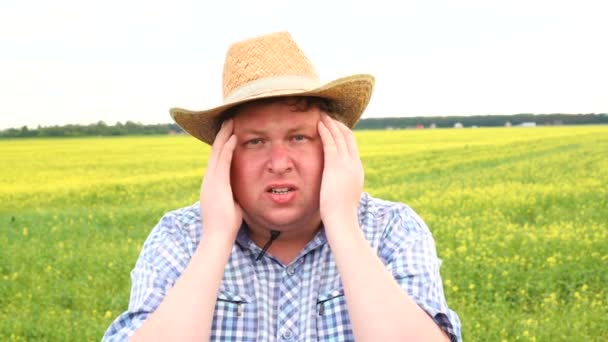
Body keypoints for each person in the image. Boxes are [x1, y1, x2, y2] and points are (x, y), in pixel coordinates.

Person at [103, 31, 461, 341]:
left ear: (333, 146)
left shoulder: (390, 229)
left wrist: (341, 221)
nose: (278, 163)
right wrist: (215, 238)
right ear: (224, 158)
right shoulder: (181, 237)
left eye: (299, 137)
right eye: (255, 142)